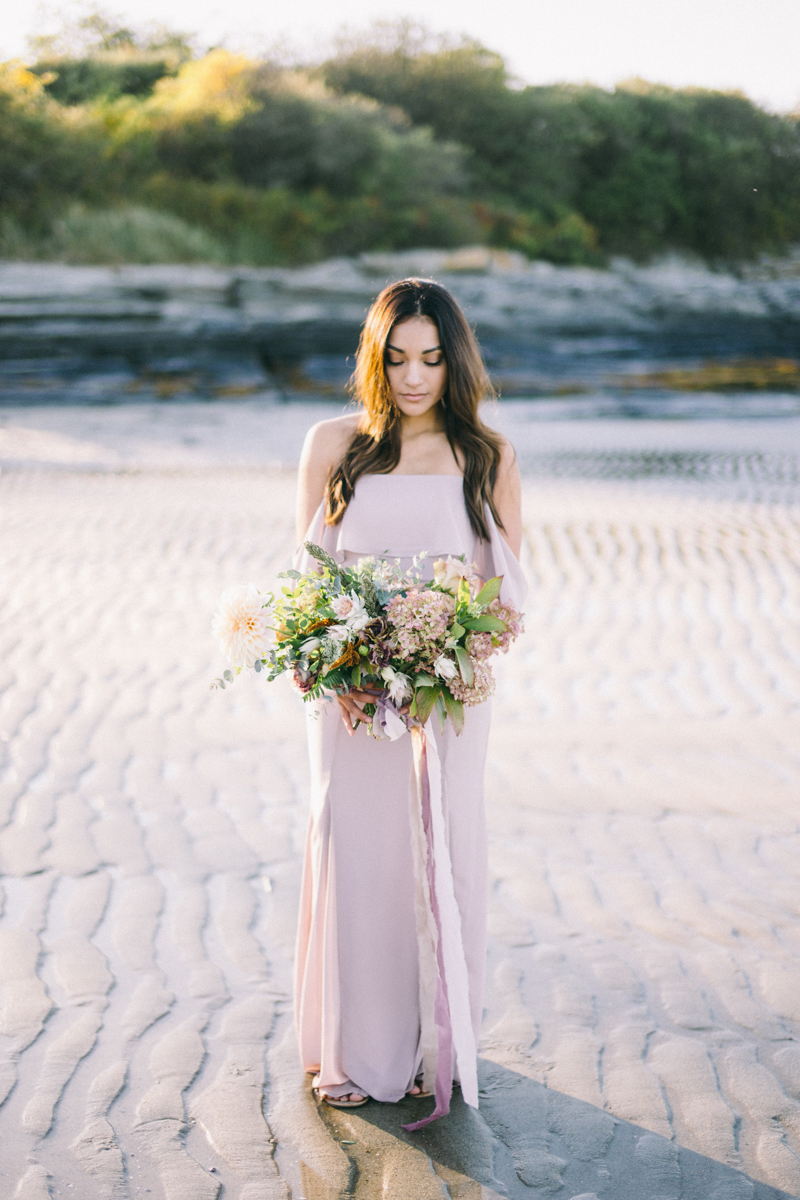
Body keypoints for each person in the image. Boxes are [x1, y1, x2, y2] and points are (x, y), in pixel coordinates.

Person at [292, 277, 526, 1115]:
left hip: (446, 698)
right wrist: (336, 671)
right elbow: (305, 586)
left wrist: (451, 658)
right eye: (396, 359)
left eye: (430, 358)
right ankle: (353, 1050)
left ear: (454, 360)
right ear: (375, 358)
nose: (414, 376)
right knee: (359, 855)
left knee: (443, 851)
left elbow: (505, 598)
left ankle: (437, 1043)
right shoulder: (332, 445)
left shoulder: (486, 454)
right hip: (352, 695)